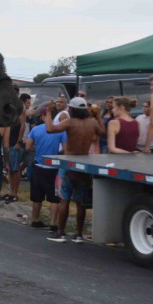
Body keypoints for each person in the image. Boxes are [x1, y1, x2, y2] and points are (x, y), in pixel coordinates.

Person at [45, 97, 104, 242]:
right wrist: (98, 115)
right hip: (84, 165)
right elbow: (102, 131)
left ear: (71, 109)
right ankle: (78, 234)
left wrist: (48, 112)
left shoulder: (70, 122)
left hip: (68, 164)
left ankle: (61, 233)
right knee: (80, 201)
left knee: (64, 199)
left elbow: (50, 129)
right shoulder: (92, 123)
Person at [24, 105, 64, 228]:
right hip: (54, 168)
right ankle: (53, 223)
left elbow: (27, 147)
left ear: (42, 116)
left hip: (38, 166)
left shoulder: (35, 130)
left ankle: (35, 220)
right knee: (55, 197)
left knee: (37, 197)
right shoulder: (60, 131)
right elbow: (65, 149)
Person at [2, 93, 31, 203]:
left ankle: (14, 193)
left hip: (15, 143)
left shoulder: (21, 108)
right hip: (8, 143)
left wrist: (19, 142)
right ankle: (10, 192)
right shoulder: (10, 107)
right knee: (10, 169)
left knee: (15, 169)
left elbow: (22, 125)